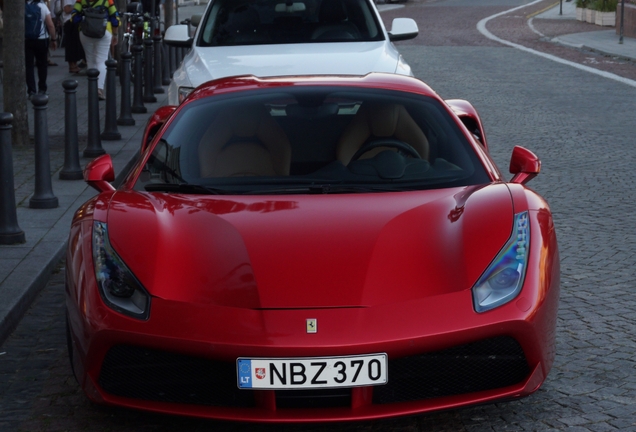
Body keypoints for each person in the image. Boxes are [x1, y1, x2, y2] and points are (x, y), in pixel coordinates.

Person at [72, 0, 119, 100]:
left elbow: (74, 18)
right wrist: (115, 34)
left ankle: (92, 89)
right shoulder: (108, 1)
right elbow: (115, 18)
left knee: (90, 60)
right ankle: (99, 89)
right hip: (104, 32)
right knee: (101, 61)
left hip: (85, 33)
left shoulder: (81, 0)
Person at [25, 0, 57, 98]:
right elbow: (50, 25)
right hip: (42, 39)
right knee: (42, 65)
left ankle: (31, 91)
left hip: (26, 39)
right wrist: (53, 39)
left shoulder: (23, 6)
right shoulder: (42, 6)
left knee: (29, 66)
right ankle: (42, 89)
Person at [62, 0, 85, 72]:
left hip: (74, 21)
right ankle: (72, 65)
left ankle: (74, 64)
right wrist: (78, 7)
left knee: (74, 44)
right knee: (71, 44)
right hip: (70, 21)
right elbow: (66, 9)